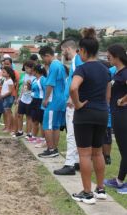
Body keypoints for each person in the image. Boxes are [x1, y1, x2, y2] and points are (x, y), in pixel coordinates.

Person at [70, 28, 110, 204]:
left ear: (84, 51)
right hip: (102, 112)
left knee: (84, 155)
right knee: (98, 153)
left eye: (79, 51)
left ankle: (87, 193)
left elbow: (73, 88)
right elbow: (108, 93)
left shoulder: (82, 68)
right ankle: (100, 189)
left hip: (85, 114)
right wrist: (103, 107)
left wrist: (77, 103)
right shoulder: (105, 69)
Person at [54, 39, 83, 176]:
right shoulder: (75, 61)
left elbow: (79, 80)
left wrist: (72, 97)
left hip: (73, 103)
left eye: (62, 50)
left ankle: (69, 164)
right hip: (72, 102)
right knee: (74, 134)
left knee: (71, 134)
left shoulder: (77, 61)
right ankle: (76, 161)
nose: (62, 53)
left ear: (67, 49)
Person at [104, 44, 127, 194]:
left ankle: (120, 182)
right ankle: (119, 180)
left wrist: (123, 99)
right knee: (124, 149)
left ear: (117, 56)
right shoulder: (118, 72)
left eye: (109, 56)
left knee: (125, 149)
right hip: (117, 114)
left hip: (122, 114)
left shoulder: (125, 72)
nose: (108, 58)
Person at [38, 46, 66, 158]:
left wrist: (45, 99)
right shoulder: (60, 65)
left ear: (47, 55)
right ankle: (54, 148)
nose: (43, 61)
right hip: (61, 99)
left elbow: (50, 84)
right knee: (55, 126)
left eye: (43, 58)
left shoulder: (53, 65)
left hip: (53, 100)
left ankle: (51, 149)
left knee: (47, 126)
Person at [15, 60, 35, 138]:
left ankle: (29, 133)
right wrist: (19, 97)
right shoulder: (25, 75)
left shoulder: (35, 77)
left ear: (32, 68)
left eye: (27, 68)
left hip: (30, 99)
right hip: (23, 98)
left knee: (28, 116)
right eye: (25, 68)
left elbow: (35, 88)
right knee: (19, 115)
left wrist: (30, 85)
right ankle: (20, 131)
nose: (26, 70)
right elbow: (23, 87)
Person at [29, 64, 47, 144]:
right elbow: (33, 90)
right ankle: (33, 136)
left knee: (41, 121)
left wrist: (45, 101)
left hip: (40, 101)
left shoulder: (43, 79)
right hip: (34, 101)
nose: (31, 72)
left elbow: (46, 91)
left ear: (36, 71)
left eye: (33, 70)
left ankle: (43, 138)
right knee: (34, 119)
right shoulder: (34, 80)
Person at [0, 66, 16, 133]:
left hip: (8, 98)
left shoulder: (10, 81)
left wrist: (3, 96)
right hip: (4, 98)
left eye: (4, 72)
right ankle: (7, 127)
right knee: (6, 113)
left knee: (8, 113)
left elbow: (10, 91)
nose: (2, 73)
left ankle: (9, 128)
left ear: (8, 74)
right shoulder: (5, 80)